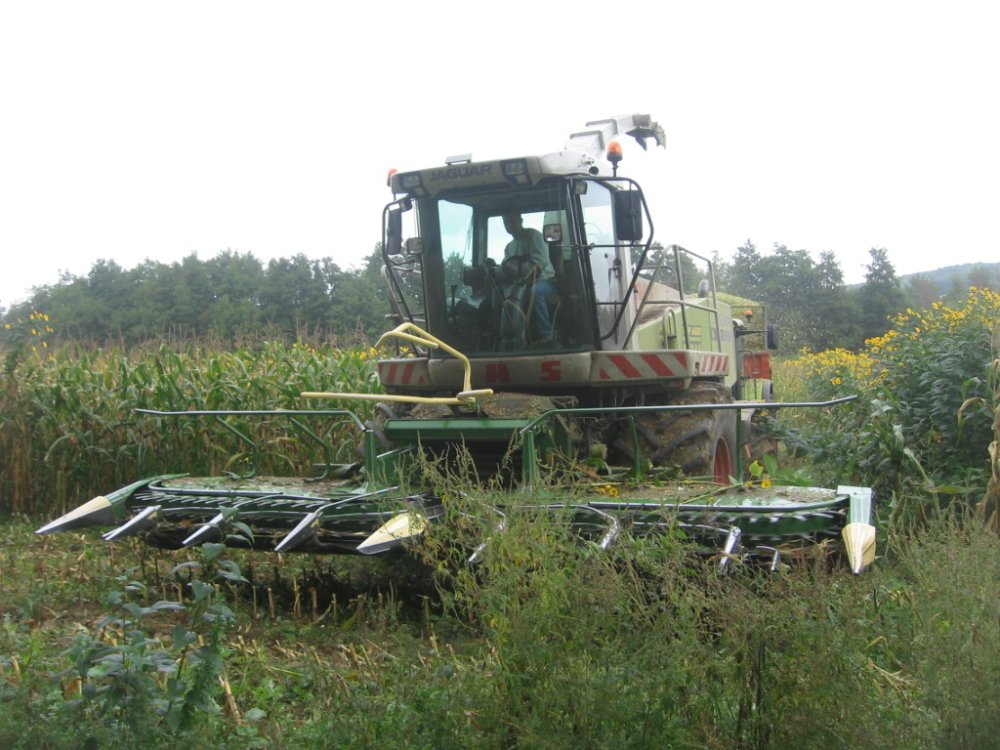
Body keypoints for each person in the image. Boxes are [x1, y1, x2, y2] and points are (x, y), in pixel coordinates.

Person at [496, 212, 558, 344]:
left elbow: (540, 263)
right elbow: (506, 268)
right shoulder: (509, 247)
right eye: (506, 222)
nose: (509, 225)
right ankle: (501, 335)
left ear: (520, 220)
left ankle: (546, 337)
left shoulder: (534, 236)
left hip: (545, 282)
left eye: (512, 220)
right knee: (497, 292)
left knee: (535, 292)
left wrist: (518, 272)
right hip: (520, 285)